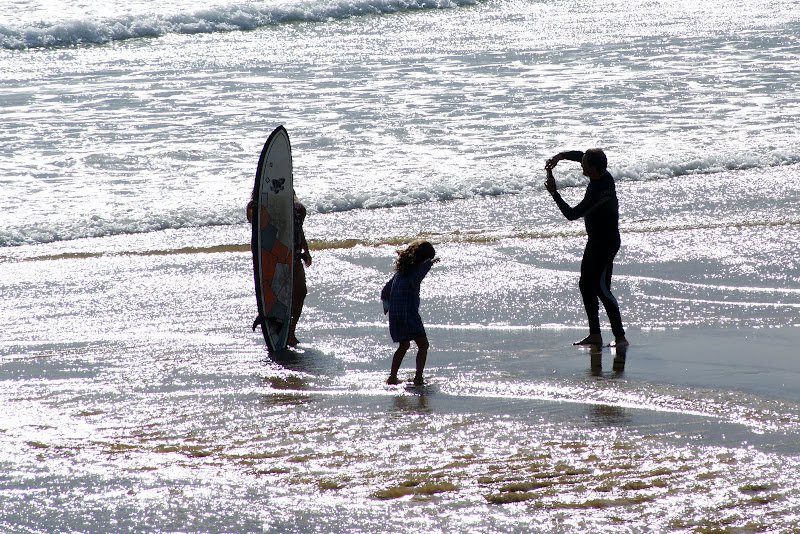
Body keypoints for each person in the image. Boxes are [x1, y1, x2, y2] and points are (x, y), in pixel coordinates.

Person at [544, 149, 628, 347]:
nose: (581, 164)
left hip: (606, 244)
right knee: (585, 285)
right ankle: (595, 335)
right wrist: (561, 156)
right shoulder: (604, 176)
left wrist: (554, 193)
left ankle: (620, 337)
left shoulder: (599, 193)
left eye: (584, 164)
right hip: (595, 242)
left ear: (593, 168)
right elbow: (582, 155)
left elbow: (571, 214)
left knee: (601, 289)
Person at [246, 191, 312, 347]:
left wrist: (306, 249)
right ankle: (277, 332)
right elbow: (254, 220)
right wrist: (251, 210)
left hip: (293, 251)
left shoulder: (288, 188)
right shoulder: (267, 191)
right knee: (278, 295)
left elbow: (297, 226)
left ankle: (290, 332)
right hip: (274, 252)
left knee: (300, 292)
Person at [381, 240, 439, 385]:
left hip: (396, 315)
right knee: (423, 345)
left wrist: (386, 305)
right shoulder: (414, 273)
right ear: (421, 260)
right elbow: (417, 277)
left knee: (404, 345)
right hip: (409, 314)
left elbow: (385, 290)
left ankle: (392, 377)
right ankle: (418, 378)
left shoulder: (401, 272)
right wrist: (429, 264)